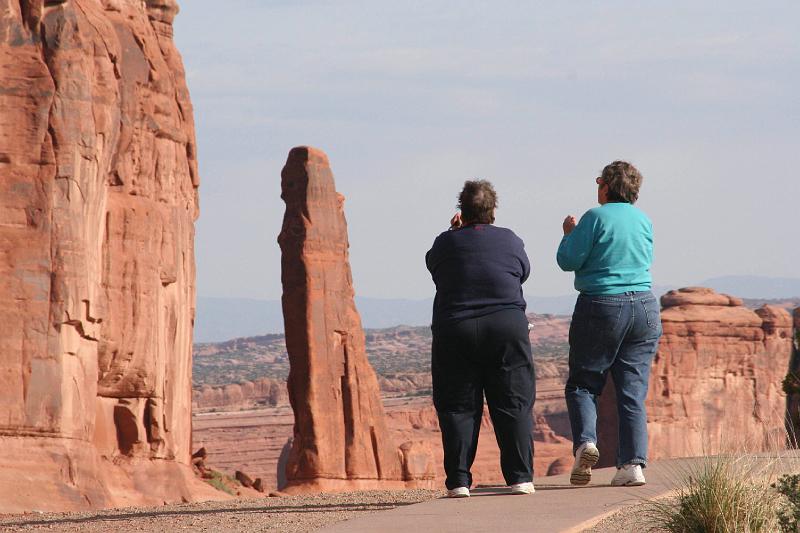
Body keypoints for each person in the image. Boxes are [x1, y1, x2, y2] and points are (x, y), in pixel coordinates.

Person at [426, 179, 536, 498]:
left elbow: (435, 268)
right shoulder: (511, 240)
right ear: (493, 210)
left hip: (455, 328)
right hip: (505, 326)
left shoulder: (445, 243)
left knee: (458, 405)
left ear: (461, 210)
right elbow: (522, 272)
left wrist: (452, 234)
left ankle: (459, 482)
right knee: (513, 399)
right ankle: (520, 477)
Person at [557, 160, 662, 487]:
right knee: (632, 389)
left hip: (602, 304)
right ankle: (632, 466)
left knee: (583, 383)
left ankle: (586, 443)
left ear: (607, 186)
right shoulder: (643, 220)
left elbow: (567, 261)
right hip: (644, 306)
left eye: (599, 181)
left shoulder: (595, 217)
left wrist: (569, 236)